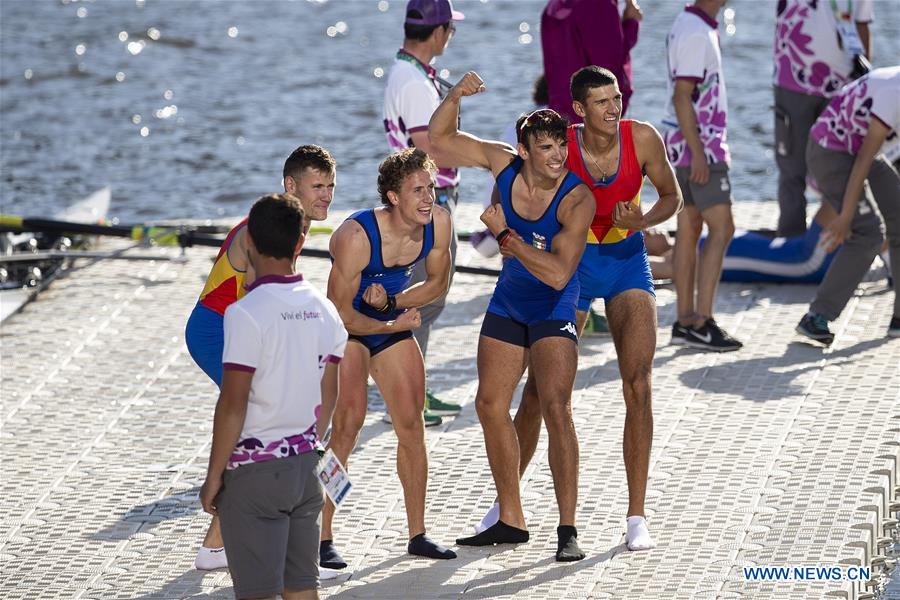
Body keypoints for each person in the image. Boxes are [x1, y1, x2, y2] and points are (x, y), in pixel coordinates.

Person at [473, 66, 683, 552]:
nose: (615, 108)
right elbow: (514, 188)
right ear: (580, 111)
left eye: (617, 98)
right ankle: (507, 504)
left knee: (639, 384)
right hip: (573, 268)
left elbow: (672, 195)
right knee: (536, 395)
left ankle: (636, 516)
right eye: (604, 102)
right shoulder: (557, 147)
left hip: (627, 262)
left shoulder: (644, 138)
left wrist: (644, 220)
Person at [430, 72, 595, 562]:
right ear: (523, 150)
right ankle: (511, 518)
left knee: (555, 408)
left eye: (560, 146)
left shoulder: (576, 198)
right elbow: (439, 143)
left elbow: (560, 275)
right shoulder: (502, 163)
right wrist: (455, 95)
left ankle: (567, 529)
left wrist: (507, 239)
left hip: (554, 302)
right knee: (488, 404)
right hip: (511, 298)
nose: (557, 156)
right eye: (545, 148)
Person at [184, 145, 337, 571]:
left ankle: (217, 547)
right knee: (260, 425)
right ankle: (235, 545)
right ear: (291, 186)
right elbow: (260, 301)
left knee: (262, 430)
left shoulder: (296, 227)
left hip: (236, 325)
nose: (325, 196)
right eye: (316, 186)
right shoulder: (260, 232)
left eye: (330, 186)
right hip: (215, 329)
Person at [320, 148, 456, 569]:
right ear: (393, 197)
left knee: (411, 424)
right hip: (347, 332)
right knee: (348, 425)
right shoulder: (356, 238)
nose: (428, 198)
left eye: (431, 188)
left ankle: (417, 534)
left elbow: (438, 282)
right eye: (418, 190)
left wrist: (392, 302)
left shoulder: (438, 222)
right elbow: (338, 313)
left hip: (387, 321)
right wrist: (387, 324)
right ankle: (322, 534)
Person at [383, 0, 469, 423]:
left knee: (425, 297)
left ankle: (413, 392)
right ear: (438, 31)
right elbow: (429, 148)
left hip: (417, 201)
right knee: (425, 297)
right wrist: (486, 157)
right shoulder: (415, 82)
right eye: (450, 29)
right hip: (425, 204)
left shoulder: (407, 73)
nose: (450, 37)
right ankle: (407, 398)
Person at [795, 66, 900, 345]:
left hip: (859, 148)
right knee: (868, 234)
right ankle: (816, 316)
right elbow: (864, 159)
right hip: (831, 150)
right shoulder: (894, 95)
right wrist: (845, 215)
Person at [663, 0, 743, 352]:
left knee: (689, 227)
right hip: (699, 146)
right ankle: (703, 321)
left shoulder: (690, 22)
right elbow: (683, 97)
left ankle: (685, 321)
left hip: (684, 143)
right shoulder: (697, 32)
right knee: (723, 227)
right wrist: (699, 153)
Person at [773, 0, 875, 237]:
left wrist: (865, 86)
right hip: (792, 80)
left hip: (842, 83)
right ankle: (789, 241)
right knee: (792, 170)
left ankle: (833, 244)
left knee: (837, 170)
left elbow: (862, 24)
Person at [541, 0, 642, 123]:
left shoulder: (555, 5)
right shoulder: (599, 3)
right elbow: (610, 67)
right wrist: (631, 23)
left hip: (562, 114)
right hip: (591, 119)